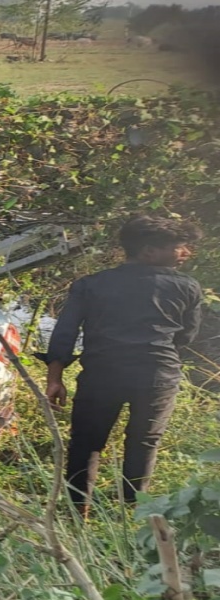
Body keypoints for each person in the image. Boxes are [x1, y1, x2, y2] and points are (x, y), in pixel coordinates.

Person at [46, 216, 202, 512]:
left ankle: (77, 513)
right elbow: (186, 337)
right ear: (149, 251)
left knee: (86, 443)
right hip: (157, 376)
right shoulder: (187, 287)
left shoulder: (91, 285)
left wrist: (54, 379)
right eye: (178, 247)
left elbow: (65, 333)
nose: (185, 253)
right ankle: (133, 515)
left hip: (102, 375)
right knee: (144, 443)